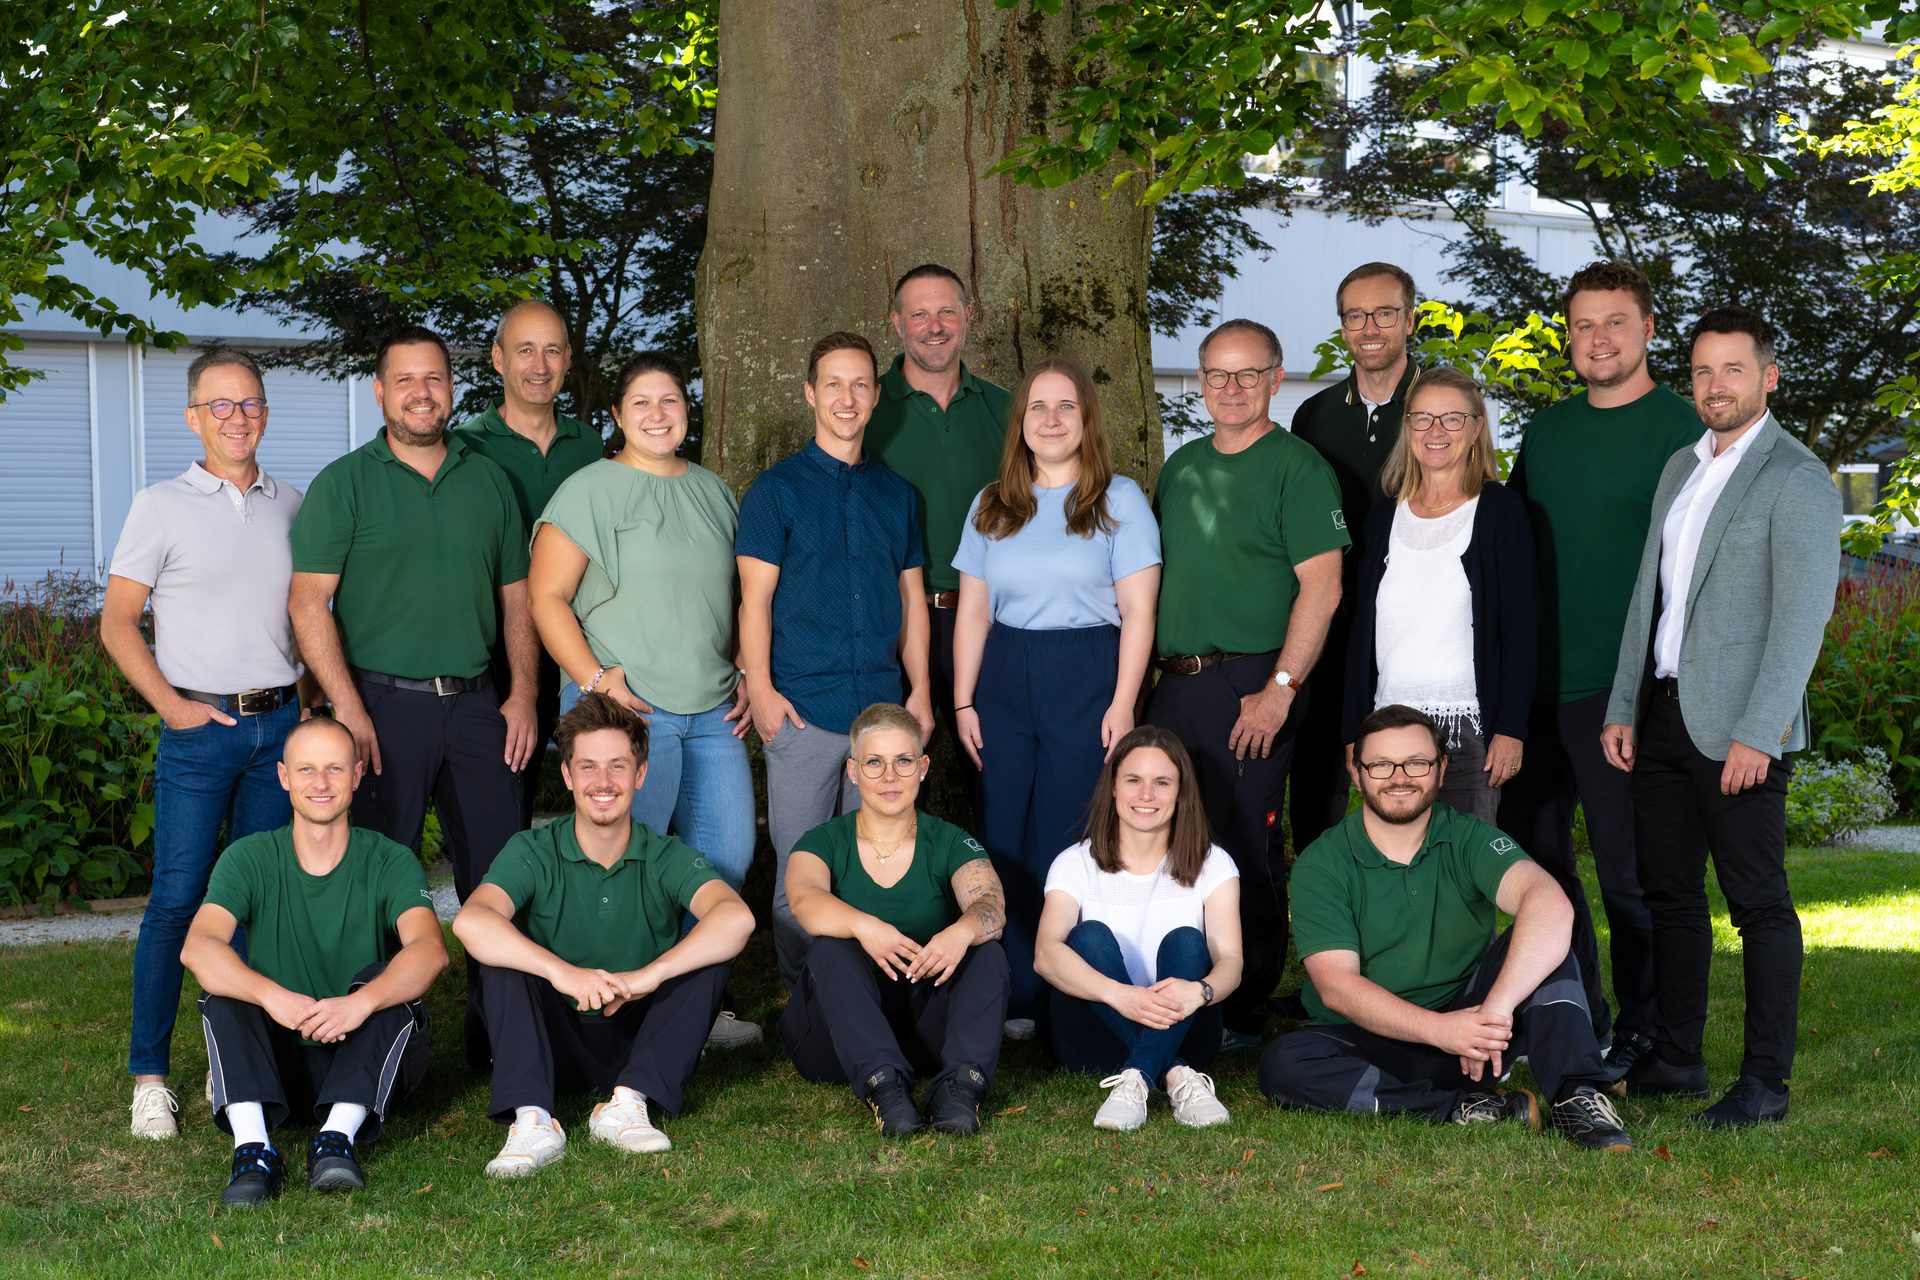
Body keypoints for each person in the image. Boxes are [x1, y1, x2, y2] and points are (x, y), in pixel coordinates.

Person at [1601, 307, 1841, 1128]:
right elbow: (1650, 597)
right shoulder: (1682, 466)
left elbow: (1801, 621)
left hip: (1740, 728)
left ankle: (1766, 1082)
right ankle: (1677, 1058)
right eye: (1703, 370)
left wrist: (1759, 731)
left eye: (1733, 369)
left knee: (1758, 904)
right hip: (1663, 714)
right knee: (1670, 896)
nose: (1716, 385)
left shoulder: (1796, 477)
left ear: (1768, 377)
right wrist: (1623, 702)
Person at [288, 325, 536, 1065]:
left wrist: (523, 694)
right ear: (379, 392)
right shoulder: (345, 483)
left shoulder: (488, 480)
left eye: (434, 378)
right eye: (405, 380)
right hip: (380, 706)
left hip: (478, 704)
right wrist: (349, 709)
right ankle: (375, 1042)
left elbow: (518, 602)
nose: (421, 393)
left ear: (451, 388)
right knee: (377, 874)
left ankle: (502, 1042)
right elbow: (308, 603)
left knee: (499, 875)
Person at [1259, 706, 1633, 1152]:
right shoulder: (1323, 862)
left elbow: (1549, 902)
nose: (1399, 777)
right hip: (1371, 1041)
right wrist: (1441, 1030)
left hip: (1476, 1036)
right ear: (1356, 774)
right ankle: (1466, 1108)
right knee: (1284, 1063)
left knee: (1541, 939)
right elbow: (1337, 987)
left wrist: (1493, 1012)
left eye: (1416, 763)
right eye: (1381, 765)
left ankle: (1578, 1098)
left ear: (1441, 769)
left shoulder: (1468, 837)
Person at [1498, 262, 1701, 1076]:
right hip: (1531, 691)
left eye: (1615, 322)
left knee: (1631, 874)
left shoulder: (1684, 431)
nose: (1599, 339)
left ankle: (1651, 1033)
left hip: (1624, 692)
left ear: (1649, 328)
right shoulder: (1547, 432)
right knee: (1540, 871)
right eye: (1583, 325)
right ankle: (1580, 1016)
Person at [101, 347, 310, 1138]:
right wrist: (172, 707)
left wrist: (310, 710)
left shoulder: (294, 504)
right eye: (220, 405)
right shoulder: (159, 505)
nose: (237, 417)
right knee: (178, 900)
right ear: (193, 417)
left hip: (280, 730)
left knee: (258, 901)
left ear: (266, 412)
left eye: (249, 402)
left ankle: (243, 1066)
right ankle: (150, 1078)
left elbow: (310, 616)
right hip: (200, 732)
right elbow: (117, 623)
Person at [528, 352, 761, 1050]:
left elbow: (741, 596)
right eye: (641, 403)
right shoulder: (588, 491)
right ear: (617, 415)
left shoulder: (714, 492)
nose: (658, 415)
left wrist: (746, 668)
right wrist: (598, 682)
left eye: (670, 401)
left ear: (688, 409)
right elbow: (546, 598)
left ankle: (692, 1009)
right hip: (627, 713)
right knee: (625, 864)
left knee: (725, 861)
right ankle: (611, 1003)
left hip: (713, 711)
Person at [1148, 317, 1348, 1048]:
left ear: (1275, 378)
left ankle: (1246, 1004)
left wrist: (1281, 688)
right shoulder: (1181, 468)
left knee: (1242, 842)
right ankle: (1183, 980)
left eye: (1248, 374)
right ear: (1200, 381)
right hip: (1177, 684)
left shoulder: (1298, 468)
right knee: (1172, 835)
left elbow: (1323, 587)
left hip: (1253, 683)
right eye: (1217, 374)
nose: (1231, 388)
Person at [453, 694, 755, 1176]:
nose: (604, 782)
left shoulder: (666, 854)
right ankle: (533, 1118)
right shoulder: (532, 849)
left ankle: (628, 1102)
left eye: (618, 766)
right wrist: (562, 973)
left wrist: (649, 976)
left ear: (640, 774)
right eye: (588, 767)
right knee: (502, 960)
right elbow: (471, 921)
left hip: (638, 1037)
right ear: (568, 775)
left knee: (708, 956)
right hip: (551, 1038)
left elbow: (736, 918)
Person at [951, 355, 1161, 1033]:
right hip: (1004, 677)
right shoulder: (992, 503)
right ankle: (1009, 990)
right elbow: (973, 612)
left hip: (1088, 672)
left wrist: (1123, 702)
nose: (1050, 419)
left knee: (1070, 829)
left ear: (1086, 418)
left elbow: (1139, 612)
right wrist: (963, 701)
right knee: (1003, 826)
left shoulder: (1118, 500)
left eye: (1065, 405)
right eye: (1037, 407)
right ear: (1020, 422)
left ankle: (1070, 989)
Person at [181, 717, 448, 1206]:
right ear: (284, 777)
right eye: (306, 769)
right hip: (279, 1062)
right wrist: (271, 996)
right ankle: (253, 1150)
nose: (320, 782)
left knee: (390, 984)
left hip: (362, 1055)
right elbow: (198, 946)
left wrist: (360, 1004)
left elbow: (430, 950)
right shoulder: (249, 857)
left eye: (334, 768)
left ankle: (336, 1139)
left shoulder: (390, 859)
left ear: (357, 774)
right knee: (225, 990)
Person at [736, 331, 932, 992]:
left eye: (859, 385)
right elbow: (755, 601)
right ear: (810, 393)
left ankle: (869, 992)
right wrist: (761, 689)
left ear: (876, 396)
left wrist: (921, 690)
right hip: (801, 712)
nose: (846, 398)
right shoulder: (775, 492)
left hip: (882, 714)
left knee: (878, 862)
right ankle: (804, 996)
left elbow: (912, 600)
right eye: (833, 384)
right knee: (802, 868)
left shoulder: (899, 495)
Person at [780, 703, 1011, 1137]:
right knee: (831, 947)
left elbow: (990, 906)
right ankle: (884, 1088)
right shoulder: (822, 841)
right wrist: (865, 927)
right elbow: (804, 901)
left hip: (924, 1029)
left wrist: (961, 932)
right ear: (853, 771)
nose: (890, 776)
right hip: (836, 1035)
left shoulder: (949, 840)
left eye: (903, 761)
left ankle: (961, 1088)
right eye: (874, 762)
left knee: (987, 953)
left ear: (922, 768)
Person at [1343, 366, 1537, 823]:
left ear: (1475, 429)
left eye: (1452, 418)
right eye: (1423, 418)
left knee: (1462, 860)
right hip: (1388, 732)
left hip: (1467, 733)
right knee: (1395, 859)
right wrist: (1353, 731)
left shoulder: (1500, 511)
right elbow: (1358, 635)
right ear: (1407, 427)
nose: (1436, 431)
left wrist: (1511, 728)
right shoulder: (1382, 519)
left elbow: (1522, 630)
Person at [1034, 725, 1241, 1131]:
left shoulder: (1213, 863)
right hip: (1094, 1038)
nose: (1146, 794)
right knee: (1088, 937)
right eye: (1133, 780)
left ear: (1181, 792)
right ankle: (1174, 1075)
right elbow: (1045, 955)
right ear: (1113, 787)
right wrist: (1120, 996)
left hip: (1186, 1030)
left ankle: (1140, 1074)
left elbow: (1231, 962)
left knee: (1187, 941)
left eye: (1161, 782)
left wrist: (1200, 992)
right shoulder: (1075, 862)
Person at [455, 300, 607, 827]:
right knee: (503, 795)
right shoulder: (464, 446)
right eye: (525, 350)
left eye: (551, 351)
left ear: (568, 358)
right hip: (498, 650)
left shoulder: (588, 445)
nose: (539, 366)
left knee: (595, 782)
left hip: (577, 645)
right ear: (498, 359)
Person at [867, 263, 1013, 804]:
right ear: (897, 323)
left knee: (999, 770)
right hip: (892, 619)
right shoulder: (866, 409)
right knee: (891, 778)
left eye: (947, 311)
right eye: (919, 314)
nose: (935, 326)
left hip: (986, 617)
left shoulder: (1010, 410)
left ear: (969, 317)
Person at [1291, 262, 1423, 852]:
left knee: (1408, 777)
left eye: (1384, 313)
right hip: (1331, 626)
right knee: (1316, 787)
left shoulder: (1438, 408)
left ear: (1409, 320)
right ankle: (1319, 897)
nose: (1370, 327)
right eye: (1355, 315)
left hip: (1414, 629)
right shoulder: (1314, 417)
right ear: (1342, 325)